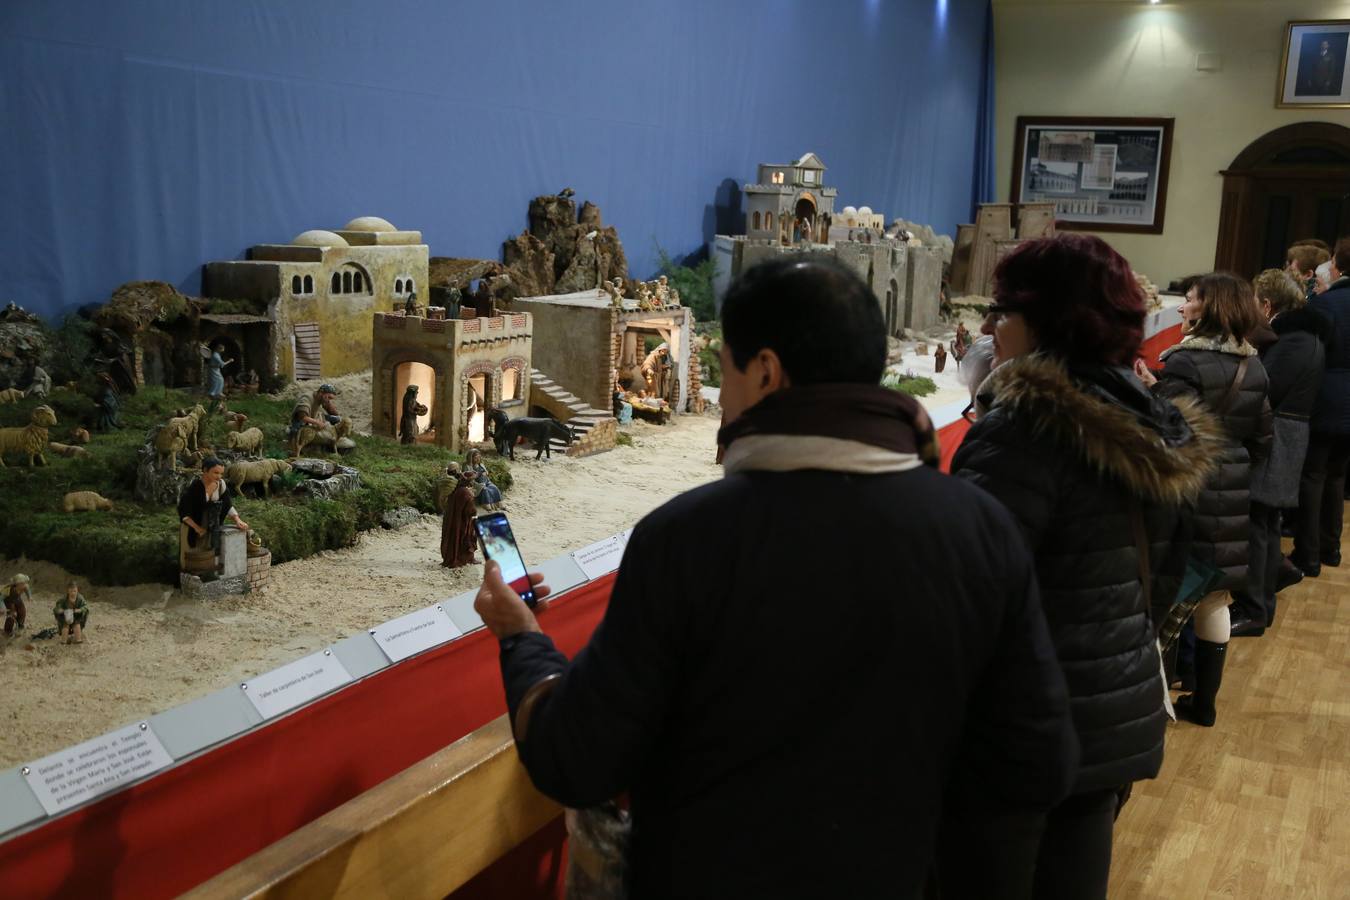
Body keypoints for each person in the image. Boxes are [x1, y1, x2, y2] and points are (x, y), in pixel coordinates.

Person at [473, 257, 1078, 899]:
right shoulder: (980, 529)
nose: (721, 399)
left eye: (727, 372)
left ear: (764, 371)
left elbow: (576, 758)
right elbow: (1039, 763)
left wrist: (523, 641)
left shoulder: (688, 539)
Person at [954, 234, 1213, 897]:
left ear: (1047, 320)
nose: (988, 325)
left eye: (1002, 309)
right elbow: (1164, 569)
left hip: (1018, 724)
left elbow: (973, 589)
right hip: (1114, 707)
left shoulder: (1021, 429)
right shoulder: (1150, 418)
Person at [1136, 272, 1272, 728]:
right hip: (1233, 487)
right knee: (1215, 598)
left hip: (1191, 489)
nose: (1182, 306)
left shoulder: (1185, 362)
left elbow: (1170, 428)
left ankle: (1152, 701)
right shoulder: (1254, 364)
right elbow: (1263, 438)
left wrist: (1150, 389)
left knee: (1167, 591)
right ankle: (1204, 702)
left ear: (1208, 307)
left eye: (1190, 299)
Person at [1230, 270, 1329, 635]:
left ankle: (1253, 607)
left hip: (1279, 436)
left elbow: (1264, 392)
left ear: (1267, 304)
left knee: (1258, 526)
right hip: (1288, 434)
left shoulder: (1294, 340)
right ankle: (1261, 603)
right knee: (1266, 524)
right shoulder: (1303, 337)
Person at [1294, 237, 1350, 576]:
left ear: (1337, 266)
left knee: (1313, 475)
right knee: (1338, 476)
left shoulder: (1324, 305)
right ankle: (1332, 549)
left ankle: (1308, 555)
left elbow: (1310, 354)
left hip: (1326, 396)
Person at [178, 457, 249, 552]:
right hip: (192, 525)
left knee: (211, 553)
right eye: (216, 473)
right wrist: (197, 528)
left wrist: (237, 520)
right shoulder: (195, 487)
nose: (219, 476)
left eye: (221, 473)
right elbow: (185, 511)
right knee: (193, 555)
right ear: (205, 470)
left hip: (212, 524)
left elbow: (227, 504)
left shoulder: (221, 485)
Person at [440, 463, 478, 568]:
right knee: (465, 537)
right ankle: (464, 558)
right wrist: (472, 497)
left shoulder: (452, 487)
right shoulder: (465, 492)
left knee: (451, 536)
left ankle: (449, 557)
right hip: (461, 521)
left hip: (450, 517)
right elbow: (471, 511)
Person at [4, 574, 31, 638]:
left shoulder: (25, 586)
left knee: (22, 611)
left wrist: (29, 597)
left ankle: (20, 626)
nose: (24, 585)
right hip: (8, 601)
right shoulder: (8, 589)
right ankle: (8, 631)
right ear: (17, 584)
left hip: (17, 599)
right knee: (12, 615)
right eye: (22, 583)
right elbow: (1, 598)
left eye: (24, 583)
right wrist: (2, 607)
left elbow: (27, 589)